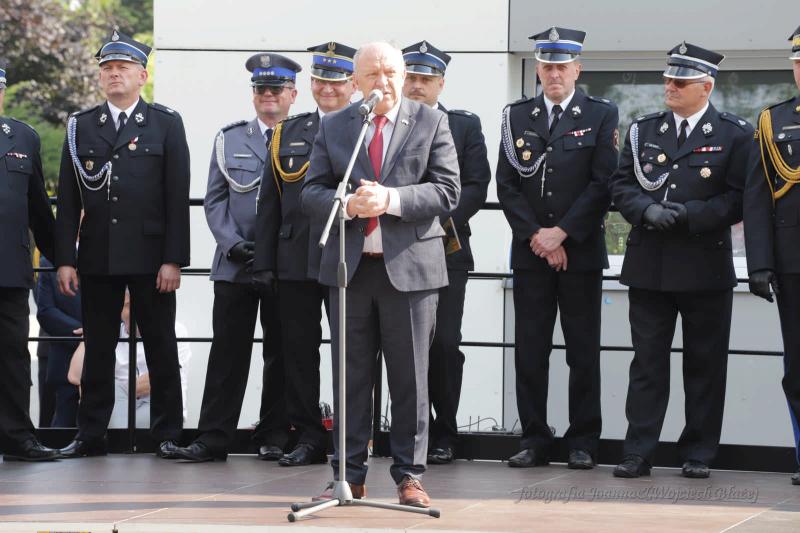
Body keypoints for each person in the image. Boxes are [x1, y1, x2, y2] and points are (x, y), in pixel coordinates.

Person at [301, 41, 460, 508]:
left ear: (403, 75)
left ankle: (410, 475)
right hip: (350, 272)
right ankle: (347, 474)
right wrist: (347, 204)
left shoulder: (430, 121)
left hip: (410, 271)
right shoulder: (336, 126)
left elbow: (447, 190)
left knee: (410, 379)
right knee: (349, 378)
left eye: (390, 72)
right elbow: (311, 191)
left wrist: (390, 200)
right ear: (355, 82)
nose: (382, 82)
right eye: (372, 74)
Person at [611, 42, 752, 479]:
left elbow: (739, 198)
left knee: (704, 365)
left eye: (681, 82)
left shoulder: (734, 133)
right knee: (647, 365)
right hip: (649, 266)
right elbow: (621, 185)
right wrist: (645, 210)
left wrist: (692, 215)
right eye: (668, 80)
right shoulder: (644, 129)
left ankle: (699, 453)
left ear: (706, 87)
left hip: (704, 266)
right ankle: (638, 452)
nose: (670, 87)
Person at [54, 29, 190, 460]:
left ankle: (167, 434)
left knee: (161, 346)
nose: (114, 74)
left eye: (123, 68)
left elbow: (177, 197)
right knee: (98, 347)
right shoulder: (80, 126)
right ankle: (91, 434)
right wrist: (64, 259)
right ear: (100, 77)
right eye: (108, 69)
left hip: (151, 257)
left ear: (142, 76)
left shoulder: (165, 122)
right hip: (98, 253)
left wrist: (174, 259)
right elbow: (68, 199)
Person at [496, 27, 618, 470]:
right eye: (547, 66)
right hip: (532, 254)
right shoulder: (516, 116)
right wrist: (539, 236)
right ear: (538, 69)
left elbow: (603, 183)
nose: (553, 74)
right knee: (530, 352)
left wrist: (562, 233)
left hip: (579, 253)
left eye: (562, 67)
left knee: (582, 351)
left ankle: (583, 440)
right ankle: (534, 438)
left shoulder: (601, 113)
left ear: (577, 69)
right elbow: (507, 185)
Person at [171, 52, 300, 463]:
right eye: (260, 88)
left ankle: (274, 435)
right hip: (234, 263)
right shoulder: (229, 138)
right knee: (227, 352)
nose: (267, 95)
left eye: (276, 88)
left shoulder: (305, 137)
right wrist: (231, 243)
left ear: (292, 94)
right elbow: (214, 200)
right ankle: (213, 437)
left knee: (281, 353)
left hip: (283, 265)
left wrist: (272, 252)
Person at [253, 42, 357, 467]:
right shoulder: (287, 131)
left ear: (353, 85)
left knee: (351, 352)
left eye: (336, 82)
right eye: (320, 81)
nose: (327, 89)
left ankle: (352, 438)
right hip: (294, 257)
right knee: (298, 352)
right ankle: (308, 436)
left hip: (348, 256)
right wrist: (264, 263)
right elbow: (269, 203)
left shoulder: (366, 128)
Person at [400, 40, 491, 465]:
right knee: (402, 345)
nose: (417, 86)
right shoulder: (387, 124)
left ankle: (444, 432)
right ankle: (405, 434)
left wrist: (435, 219)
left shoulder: (463, 125)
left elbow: (476, 184)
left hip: (446, 245)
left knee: (444, 343)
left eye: (425, 79)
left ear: (441, 83)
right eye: (411, 78)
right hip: (397, 249)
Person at [743, 25, 800, 486]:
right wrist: (759, 263)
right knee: (798, 367)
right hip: (792, 263)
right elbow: (758, 197)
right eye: (798, 62)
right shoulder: (772, 121)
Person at [0, 62, 61, 462]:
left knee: (14, 358)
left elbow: (39, 208)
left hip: (9, 269)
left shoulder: (22, 136)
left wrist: (65, 261)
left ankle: (17, 438)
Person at [68, 291, 191, 429]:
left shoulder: (174, 329)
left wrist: (110, 389)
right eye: (128, 306)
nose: (134, 312)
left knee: (114, 418)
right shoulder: (113, 332)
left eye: (140, 305)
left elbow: (162, 378)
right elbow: (75, 376)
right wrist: (90, 335)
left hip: (155, 402)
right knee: (112, 417)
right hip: (118, 403)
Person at [35, 255, 82, 427]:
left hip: (112, 359)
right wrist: (84, 332)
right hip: (63, 359)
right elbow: (45, 311)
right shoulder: (48, 261)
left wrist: (96, 332)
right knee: (59, 428)